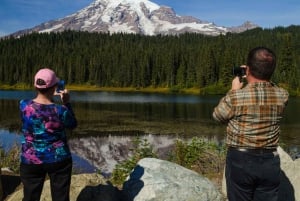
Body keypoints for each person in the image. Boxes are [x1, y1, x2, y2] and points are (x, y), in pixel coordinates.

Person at [213, 47, 289, 201]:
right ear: (271, 70)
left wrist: (233, 90)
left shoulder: (236, 97)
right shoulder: (282, 95)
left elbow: (217, 115)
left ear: (247, 69)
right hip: (269, 160)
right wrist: (260, 73)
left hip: (240, 160)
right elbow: (269, 87)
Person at [19, 68, 77, 201]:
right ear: (54, 88)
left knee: (30, 197)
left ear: (35, 86)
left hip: (30, 158)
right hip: (58, 159)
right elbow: (72, 124)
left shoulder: (23, 105)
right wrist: (67, 102)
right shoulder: (61, 110)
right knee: (60, 197)